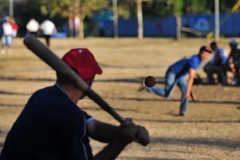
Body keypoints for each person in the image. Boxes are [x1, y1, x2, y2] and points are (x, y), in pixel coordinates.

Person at [0, 48, 149, 160]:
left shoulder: (42, 96)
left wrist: (128, 133)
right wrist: (120, 142)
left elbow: (92, 126)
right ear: (90, 81)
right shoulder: (70, 116)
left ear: (58, 73)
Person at [140, 46, 212, 116]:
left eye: (207, 55)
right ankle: (147, 87)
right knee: (167, 94)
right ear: (199, 52)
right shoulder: (195, 60)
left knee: (186, 91)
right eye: (204, 54)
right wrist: (188, 92)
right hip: (172, 72)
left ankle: (183, 111)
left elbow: (188, 75)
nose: (205, 56)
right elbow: (191, 77)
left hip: (181, 75)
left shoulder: (198, 59)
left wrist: (189, 91)